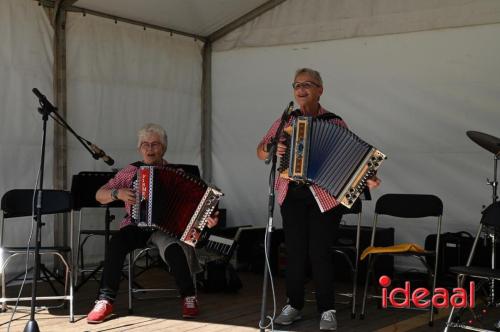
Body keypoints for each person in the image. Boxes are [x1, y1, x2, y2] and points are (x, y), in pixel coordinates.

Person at [257, 68, 381, 331]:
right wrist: (273, 147)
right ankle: (294, 304)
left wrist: (367, 177)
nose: (301, 90)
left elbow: (353, 156)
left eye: (308, 85)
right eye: (297, 85)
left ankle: (327, 309)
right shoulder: (285, 121)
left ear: (320, 90)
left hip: (324, 196)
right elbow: (261, 150)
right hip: (291, 194)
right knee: (295, 252)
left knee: (320, 252)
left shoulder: (335, 122)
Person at [86, 123, 219, 324]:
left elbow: (201, 205)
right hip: (134, 225)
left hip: (164, 229)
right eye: (145, 144)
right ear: (139, 148)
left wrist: (208, 218)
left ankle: (189, 297)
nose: (150, 149)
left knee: (175, 248)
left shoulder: (178, 175)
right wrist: (117, 193)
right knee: (116, 244)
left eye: (155, 144)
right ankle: (105, 300)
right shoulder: (130, 171)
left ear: (163, 148)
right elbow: (99, 195)